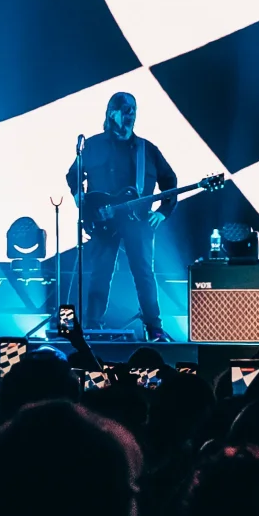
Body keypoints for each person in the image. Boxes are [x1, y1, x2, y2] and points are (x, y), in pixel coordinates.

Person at [63, 91, 177, 342]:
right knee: (100, 273)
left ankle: (154, 327)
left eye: (133, 109)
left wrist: (163, 212)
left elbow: (170, 180)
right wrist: (78, 194)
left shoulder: (147, 150)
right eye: (125, 109)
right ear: (111, 113)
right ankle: (93, 326)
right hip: (102, 220)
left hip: (138, 221)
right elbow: (73, 174)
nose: (130, 114)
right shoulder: (93, 145)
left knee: (144, 273)